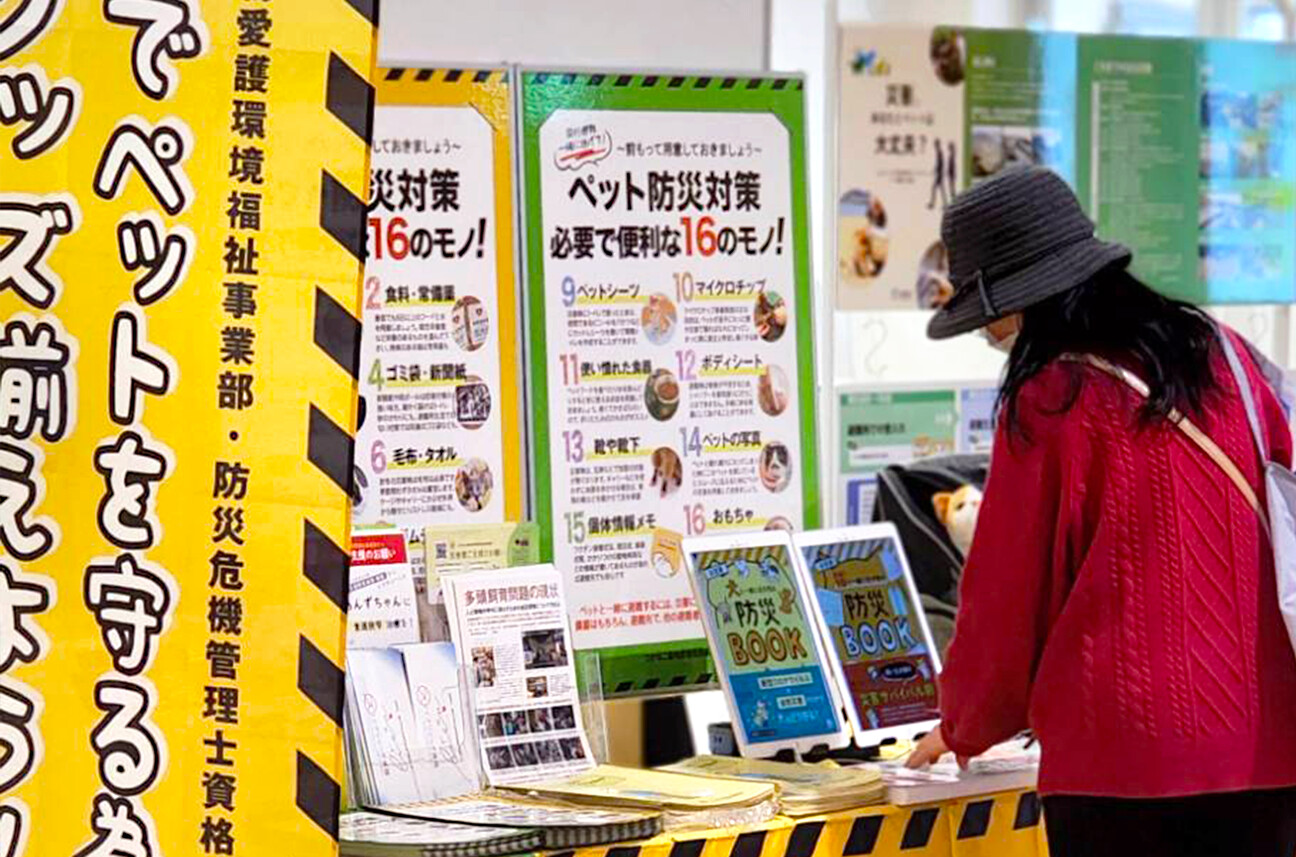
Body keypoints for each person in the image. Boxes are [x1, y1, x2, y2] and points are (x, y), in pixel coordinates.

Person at [906, 166, 1296, 856]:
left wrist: (963, 723)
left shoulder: (1052, 395)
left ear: (1021, 298)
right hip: (1272, 748)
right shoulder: (1227, 356)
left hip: (1120, 762)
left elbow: (1007, 595)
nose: (989, 332)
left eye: (987, 313)